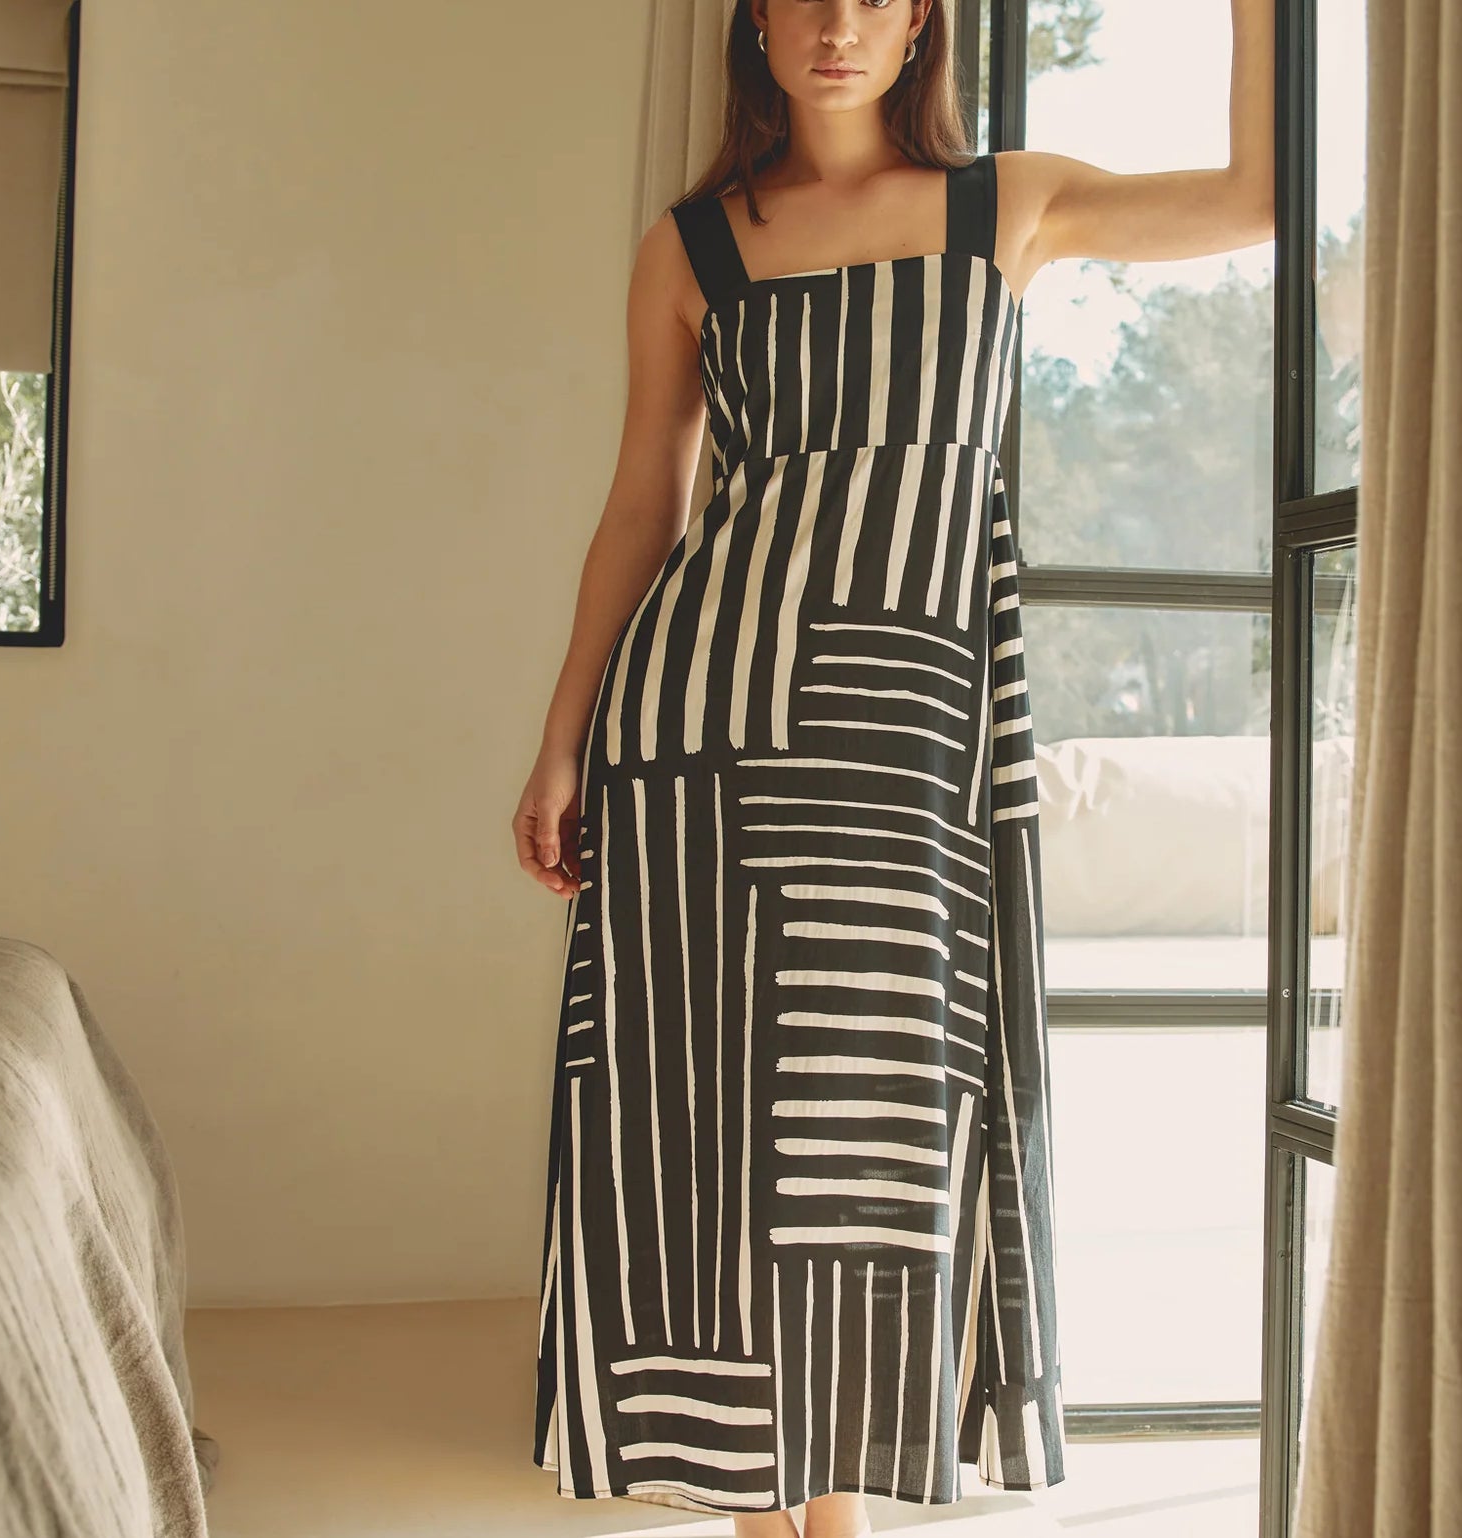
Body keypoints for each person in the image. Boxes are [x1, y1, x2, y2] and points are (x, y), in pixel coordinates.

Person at [514, 2, 1272, 1533]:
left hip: (900, 737)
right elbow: (640, 507)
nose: (837, 24)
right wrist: (562, 736)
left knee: (871, 1125)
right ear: (759, 21)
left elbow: (1256, 196)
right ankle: (759, 1505)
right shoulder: (693, 247)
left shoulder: (1013, 205)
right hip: (697, 730)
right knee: (709, 1121)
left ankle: (839, 1504)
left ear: (921, 17)